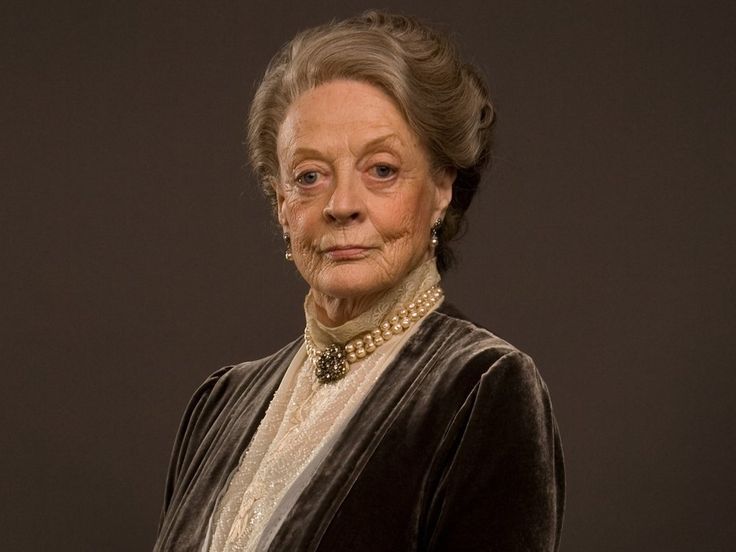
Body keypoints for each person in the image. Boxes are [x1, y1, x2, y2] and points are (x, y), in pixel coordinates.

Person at [154, 10, 564, 552]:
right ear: (281, 205)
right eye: (309, 177)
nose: (342, 205)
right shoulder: (218, 404)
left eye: (382, 170)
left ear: (442, 187)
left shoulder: (484, 387)